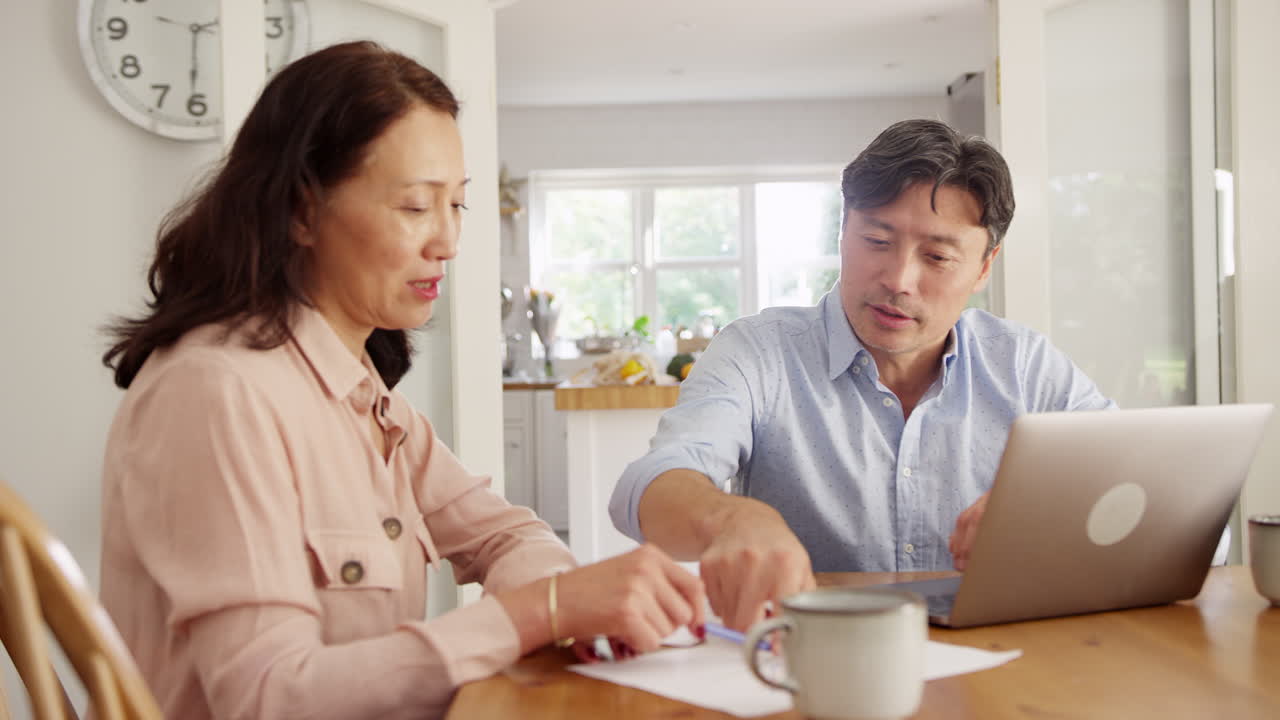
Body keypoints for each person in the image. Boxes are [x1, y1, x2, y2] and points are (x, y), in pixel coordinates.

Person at [99, 41, 705, 720]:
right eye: (416, 207)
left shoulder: (360, 392)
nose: (447, 242)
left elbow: (505, 534)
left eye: (457, 205)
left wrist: (566, 604)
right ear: (301, 211)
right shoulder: (217, 392)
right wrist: (540, 611)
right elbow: (265, 694)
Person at [609, 118, 1114, 632]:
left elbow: (1127, 475)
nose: (898, 280)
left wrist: (1047, 507)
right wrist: (729, 519)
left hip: (994, 649)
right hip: (812, 650)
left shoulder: (1024, 365)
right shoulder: (758, 352)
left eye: (938, 257)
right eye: (876, 239)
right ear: (843, 231)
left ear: (984, 267)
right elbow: (649, 486)